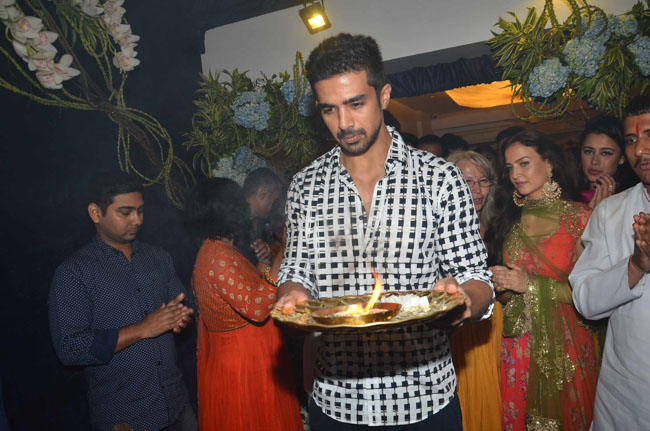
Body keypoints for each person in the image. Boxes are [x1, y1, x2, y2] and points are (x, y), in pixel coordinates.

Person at [275, 33, 494, 430]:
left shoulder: (439, 179)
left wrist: (463, 301)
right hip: (338, 401)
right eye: (329, 110)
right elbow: (296, 271)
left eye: (355, 104)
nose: (344, 123)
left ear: (384, 95)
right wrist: (291, 296)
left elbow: (477, 277)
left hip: (423, 399)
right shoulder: (306, 186)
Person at [48, 171, 197, 431]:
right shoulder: (74, 273)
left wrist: (181, 318)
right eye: (125, 212)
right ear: (96, 213)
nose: (137, 220)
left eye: (140, 211)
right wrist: (143, 329)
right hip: (126, 416)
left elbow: (185, 306)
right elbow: (70, 348)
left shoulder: (158, 257)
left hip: (176, 404)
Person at [486, 130, 598, 431]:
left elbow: (591, 292)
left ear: (548, 164)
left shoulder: (579, 218)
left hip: (568, 344)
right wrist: (503, 286)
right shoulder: (507, 222)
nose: (515, 175)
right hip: (518, 345)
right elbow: (509, 295)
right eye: (510, 167)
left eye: (524, 163)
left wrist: (529, 285)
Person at [185, 178, 302, 431]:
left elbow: (249, 291)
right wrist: (284, 252)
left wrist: (265, 265)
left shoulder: (222, 250)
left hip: (250, 356)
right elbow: (257, 309)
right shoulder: (217, 256)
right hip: (245, 363)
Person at [569, 95, 650, 431]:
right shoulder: (611, 211)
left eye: (649, 136)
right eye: (631, 140)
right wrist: (636, 265)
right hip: (627, 394)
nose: (640, 150)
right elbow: (585, 300)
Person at [446, 151, 503, 431]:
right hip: (455, 326)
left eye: (483, 181)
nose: (477, 190)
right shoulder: (438, 230)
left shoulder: (501, 226)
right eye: (467, 182)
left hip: (494, 325)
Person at [578, 115, 636, 209]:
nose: (594, 161)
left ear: (621, 158)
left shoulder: (633, 200)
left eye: (605, 153)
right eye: (588, 152)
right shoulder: (566, 198)